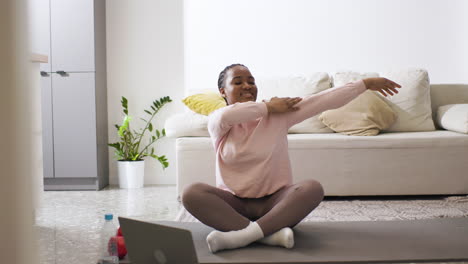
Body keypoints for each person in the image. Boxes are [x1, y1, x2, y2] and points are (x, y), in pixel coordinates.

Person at [181, 64, 401, 253]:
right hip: (234, 204)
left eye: (251, 81)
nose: (247, 86)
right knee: (191, 193)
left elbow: (323, 100)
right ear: (223, 91)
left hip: (275, 203)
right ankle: (267, 235)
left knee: (311, 188)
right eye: (238, 82)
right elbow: (227, 114)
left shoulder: (278, 114)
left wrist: (365, 84)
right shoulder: (219, 122)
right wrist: (267, 106)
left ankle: (242, 235)